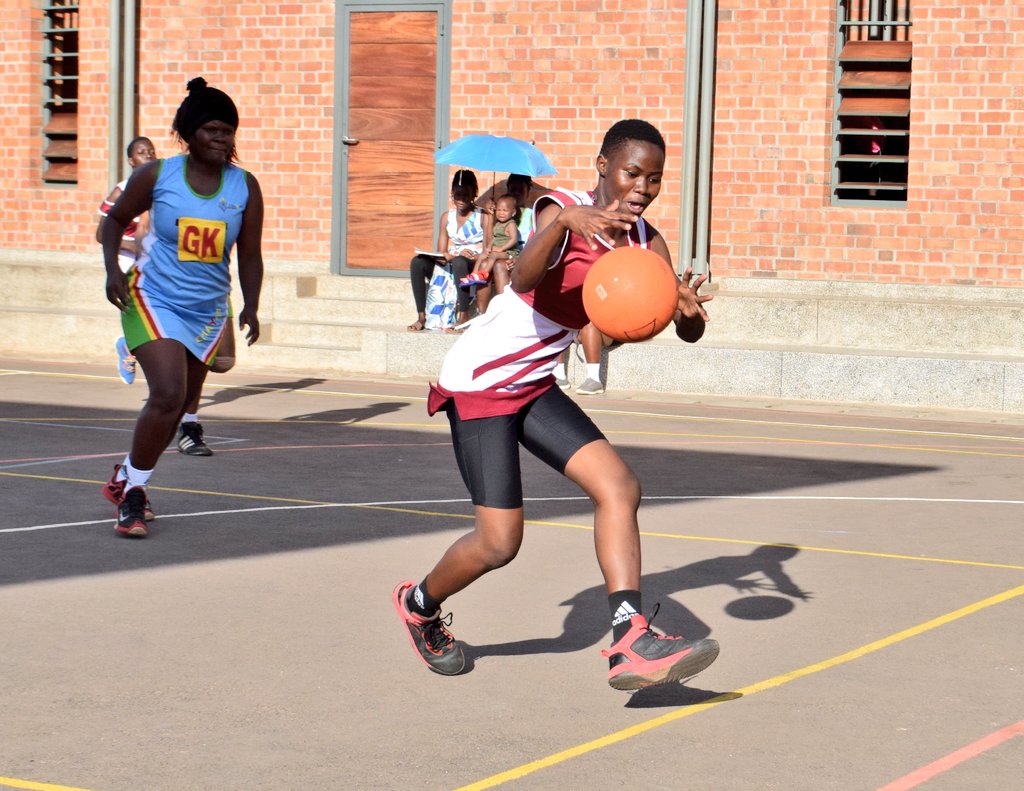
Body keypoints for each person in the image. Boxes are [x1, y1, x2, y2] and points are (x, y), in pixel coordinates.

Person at [392, 119, 718, 691]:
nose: (643, 186)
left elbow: (683, 331)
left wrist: (685, 308)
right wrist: (565, 222)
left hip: (534, 384)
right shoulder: (559, 210)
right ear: (602, 167)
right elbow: (521, 277)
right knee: (500, 544)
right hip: (482, 383)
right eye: (632, 172)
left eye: (656, 178)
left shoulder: (646, 243)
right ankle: (419, 604)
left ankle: (629, 635)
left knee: (619, 487)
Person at [100, 77, 264, 537]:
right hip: (153, 297)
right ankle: (133, 497)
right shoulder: (157, 176)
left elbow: (249, 253)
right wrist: (113, 271)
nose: (221, 139)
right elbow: (113, 221)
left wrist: (251, 305)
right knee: (168, 393)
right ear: (189, 133)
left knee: (180, 405)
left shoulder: (244, 186)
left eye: (228, 131)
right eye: (212, 129)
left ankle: (126, 479)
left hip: (208, 307)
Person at [96, 136, 157, 384]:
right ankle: (128, 350)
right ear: (132, 161)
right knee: (139, 306)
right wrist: (132, 244)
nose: (149, 156)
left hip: (151, 258)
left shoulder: (160, 187)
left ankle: (128, 345)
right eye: (142, 153)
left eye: (151, 152)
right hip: (126, 258)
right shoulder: (122, 190)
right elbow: (101, 233)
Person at [408, 170, 491, 330]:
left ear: (474, 193)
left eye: (465, 195)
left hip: (472, 262)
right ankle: (421, 316)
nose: (460, 200)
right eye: (456, 195)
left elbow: (487, 250)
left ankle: (463, 313)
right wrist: (449, 255)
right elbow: (441, 253)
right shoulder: (447, 217)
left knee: (460, 261)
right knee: (417, 263)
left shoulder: (483, 216)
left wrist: (490, 217)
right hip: (450, 261)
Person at [458, 193, 520, 288]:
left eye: (505, 210)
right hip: (497, 249)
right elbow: (494, 238)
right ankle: (474, 275)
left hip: (509, 252)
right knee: (483, 255)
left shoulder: (511, 224)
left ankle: (483, 274)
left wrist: (501, 248)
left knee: (493, 255)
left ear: (513, 212)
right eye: (499, 210)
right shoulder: (498, 224)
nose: (501, 213)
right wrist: (488, 247)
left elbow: (514, 240)